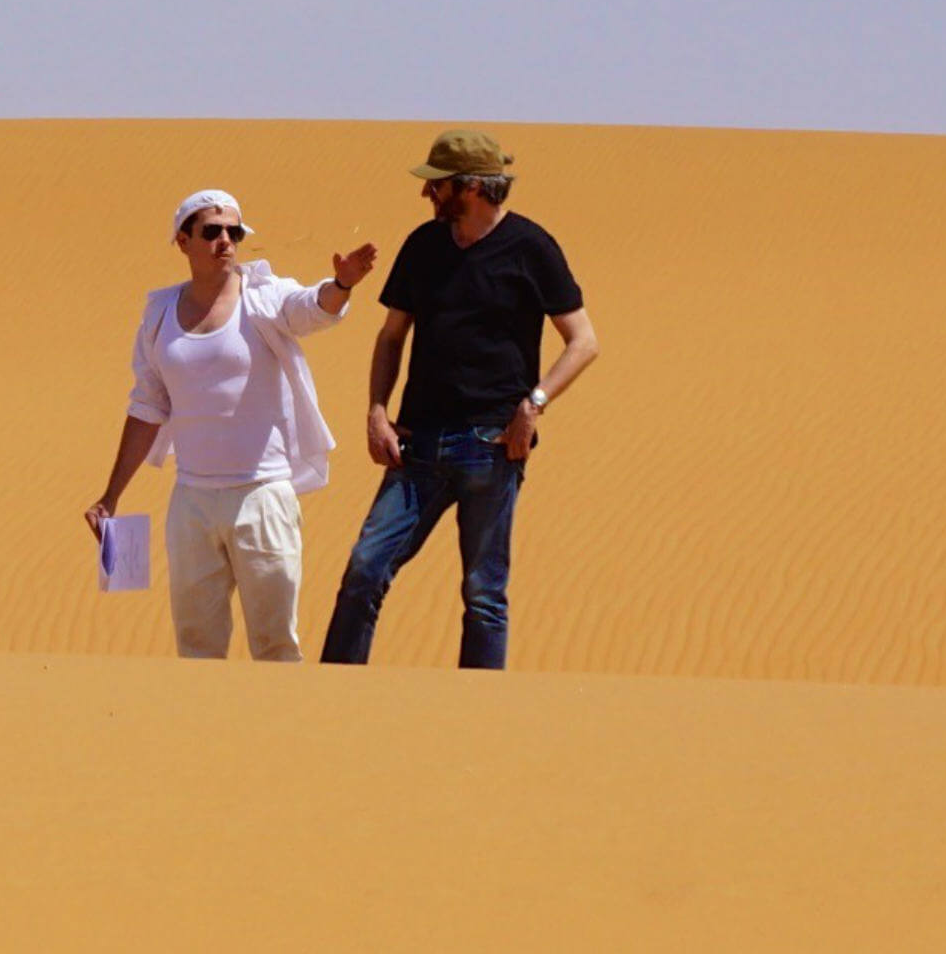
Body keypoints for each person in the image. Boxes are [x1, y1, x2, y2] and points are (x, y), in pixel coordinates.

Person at [320, 130, 599, 669]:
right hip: (417, 444)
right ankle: (333, 697)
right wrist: (377, 411)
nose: (429, 195)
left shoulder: (531, 247)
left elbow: (584, 342)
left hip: (492, 445)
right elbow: (391, 336)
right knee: (364, 572)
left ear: (471, 187)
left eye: (438, 185)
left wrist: (533, 404)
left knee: (484, 595)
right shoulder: (423, 245)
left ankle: (480, 719)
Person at [86, 190, 377, 661]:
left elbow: (310, 308)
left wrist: (340, 285)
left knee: (275, 643)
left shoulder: (263, 297)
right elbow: (147, 405)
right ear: (183, 241)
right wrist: (111, 495)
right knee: (196, 645)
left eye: (234, 232)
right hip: (192, 502)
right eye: (212, 231)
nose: (226, 240)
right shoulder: (159, 314)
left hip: (262, 495)